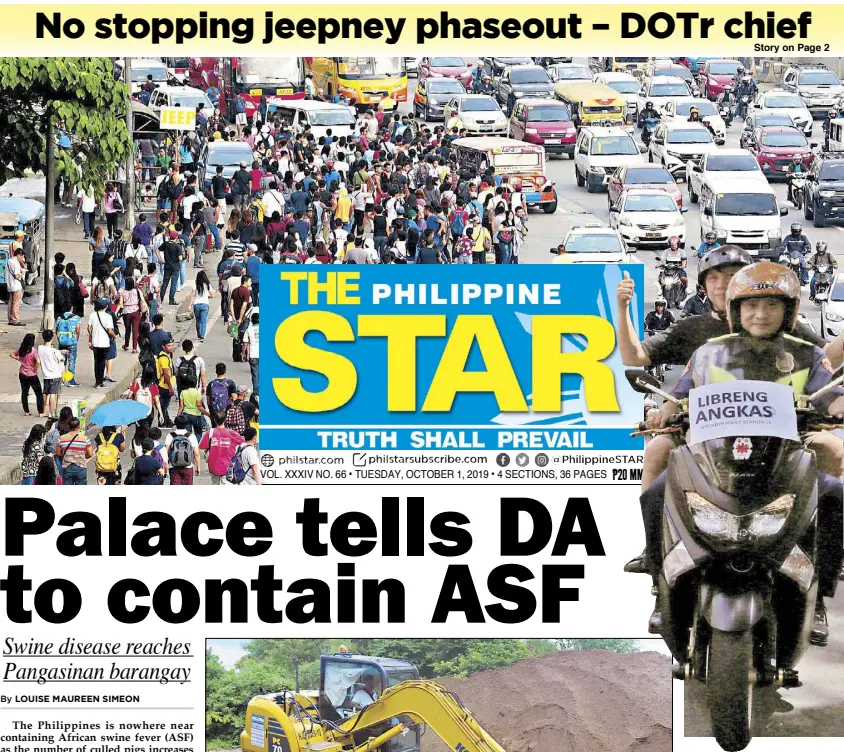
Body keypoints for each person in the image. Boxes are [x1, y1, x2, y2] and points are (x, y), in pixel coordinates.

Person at [648, 263, 844, 644]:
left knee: (834, 479)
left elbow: (831, 395)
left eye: (771, 306)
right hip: (714, 452)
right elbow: (681, 393)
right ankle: (659, 580)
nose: (760, 314)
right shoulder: (708, 352)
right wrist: (663, 411)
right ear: (736, 309)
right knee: (659, 476)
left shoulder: (807, 355)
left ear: (789, 310)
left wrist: (836, 408)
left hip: (788, 453)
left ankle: (819, 592)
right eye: (751, 305)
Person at [199, 411, 242, 485]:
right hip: (228, 466)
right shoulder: (232, 433)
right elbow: (243, 441)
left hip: (213, 465)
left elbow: (202, 446)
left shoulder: (210, 433)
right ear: (225, 420)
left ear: (214, 420)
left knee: (214, 484)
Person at [10, 332, 43, 416]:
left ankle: (26, 411)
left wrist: (17, 358)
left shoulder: (21, 350)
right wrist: (35, 369)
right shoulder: (33, 351)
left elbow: (11, 354)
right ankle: (40, 412)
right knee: (38, 393)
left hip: (23, 374)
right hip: (32, 375)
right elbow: (38, 362)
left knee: (24, 393)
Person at [164, 415, 201, 485]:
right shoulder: (191, 436)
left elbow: (166, 452)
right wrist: (198, 467)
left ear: (175, 423)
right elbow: (196, 453)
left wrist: (165, 467)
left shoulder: (170, 435)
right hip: (188, 466)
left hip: (174, 467)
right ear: (186, 424)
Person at [56, 417, 94, 485]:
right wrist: (84, 456)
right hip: (81, 468)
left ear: (68, 426)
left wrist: (65, 457)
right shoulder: (85, 439)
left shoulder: (61, 438)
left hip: (67, 467)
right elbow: (90, 454)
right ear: (79, 426)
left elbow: (58, 453)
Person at [88, 298, 116, 389]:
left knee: (96, 362)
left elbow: (89, 327)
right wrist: (114, 336)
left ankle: (97, 382)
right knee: (102, 362)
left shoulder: (92, 315)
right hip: (105, 343)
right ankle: (100, 382)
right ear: (106, 306)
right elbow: (109, 330)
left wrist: (91, 335)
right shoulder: (108, 316)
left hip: (95, 342)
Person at [38, 329, 66, 417]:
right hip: (55, 375)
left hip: (46, 375)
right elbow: (62, 359)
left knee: (45, 393)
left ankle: (42, 411)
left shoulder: (40, 348)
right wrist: (61, 354)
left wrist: (60, 352)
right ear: (53, 338)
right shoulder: (54, 351)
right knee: (53, 393)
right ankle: (52, 412)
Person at [116, 277, 145, 354]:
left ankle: (126, 345)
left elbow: (120, 303)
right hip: (136, 311)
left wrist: (116, 312)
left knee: (127, 329)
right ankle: (134, 348)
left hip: (126, 312)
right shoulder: (137, 291)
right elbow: (142, 300)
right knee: (135, 330)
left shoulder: (123, 292)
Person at [156, 338, 177, 428]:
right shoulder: (164, 358)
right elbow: (166, 374)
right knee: (164, 405)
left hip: (165, 384)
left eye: (172, 345)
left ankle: (167, 421)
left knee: (164, 404)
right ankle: (162, 422)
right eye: (168, 346)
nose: (171, 347)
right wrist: (171, 388)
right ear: (163, 347)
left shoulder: (166, 355)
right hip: (165, 385)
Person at [160, 230, 184, 306]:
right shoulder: (177, 246)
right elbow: (180, 258)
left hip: (167, 266)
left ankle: (160, 298)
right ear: (176, 237)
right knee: (173, 284)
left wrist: (160, 259)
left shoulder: (166, 244)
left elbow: (158, 249)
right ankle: (171, 300)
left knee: (165, 283)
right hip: (175, 267)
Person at [191, 270, 214, 341]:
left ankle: (198, 334)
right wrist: (207, 296)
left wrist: (190, 305)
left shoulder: (195, 284)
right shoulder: (208, 285)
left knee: (198, 320)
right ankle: (202, 336)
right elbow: (212, 295)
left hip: (196, 304)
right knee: (204, 322)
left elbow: (192, 295)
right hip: (205, 304)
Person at [5, 248, 26, 326]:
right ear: (18, 255)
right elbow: (17, 275)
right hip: (16, 286)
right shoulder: (15, 263)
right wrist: (23, 272)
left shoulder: (9, 261)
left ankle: (10, 319)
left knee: (11, 303)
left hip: (10, 285)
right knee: (16, 304)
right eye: (21, 256)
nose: (22, 258)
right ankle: (15, 320)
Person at [242, 312, 259, 395]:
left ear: (252, 321)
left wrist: (243, 354)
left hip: (253, 355)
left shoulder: (249, 330)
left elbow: (245, 344)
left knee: (255, 374)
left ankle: (256, 392)